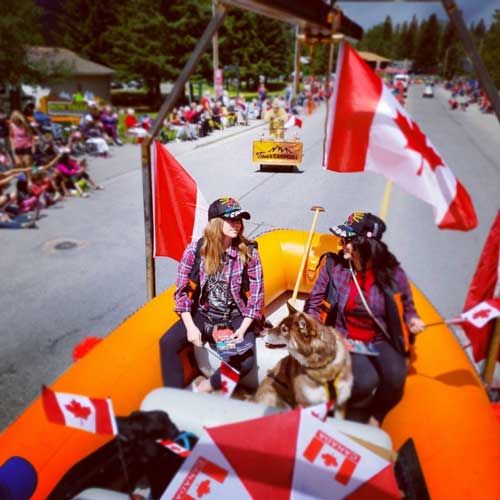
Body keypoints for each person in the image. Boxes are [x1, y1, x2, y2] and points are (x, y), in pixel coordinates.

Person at [304, 212, 424, 426]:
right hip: (345, 335)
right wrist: (317, 335)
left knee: (396, 377)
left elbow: (407, 305)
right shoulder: (334, 267)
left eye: (348, 240)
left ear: (364, 244)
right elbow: (314, 304)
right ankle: (334, 414)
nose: (342, 244)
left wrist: (413, 320)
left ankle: (375, 418)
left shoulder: (391, 272)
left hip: (378, 338)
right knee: (364, 381)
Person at [160, 197, 264, 393]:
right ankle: (171, 397)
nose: (237, 224)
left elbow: (256, 299)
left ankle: (206, 387)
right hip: (203, 315)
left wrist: (242, 330)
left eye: (240, 219)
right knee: (167, 342)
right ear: (216, 223)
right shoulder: (195, 250)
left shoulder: (249, 253)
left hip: (234, 317)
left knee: (246, 360)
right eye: (231, 219)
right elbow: (181, 294)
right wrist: (191, 327)